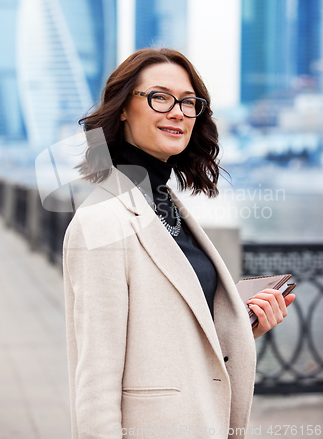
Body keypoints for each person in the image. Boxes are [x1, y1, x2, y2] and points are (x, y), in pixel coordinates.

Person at [62, 48, 295, 439]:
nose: (178, 112)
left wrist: (239, 325)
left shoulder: (167, 206)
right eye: (160, 97)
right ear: (122, 108)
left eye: (189, 103)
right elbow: (96, 383)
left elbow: (164, 336)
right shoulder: (102, 219)